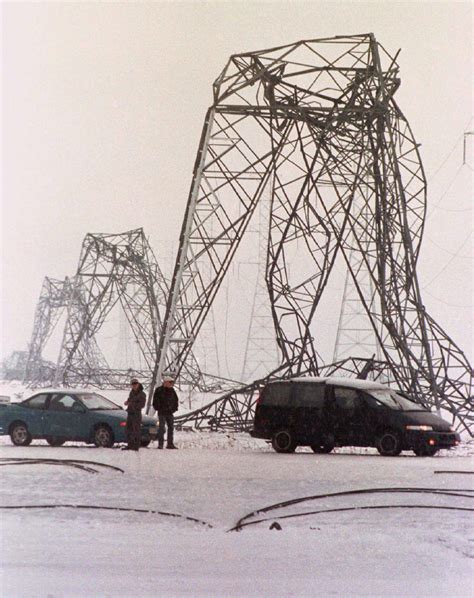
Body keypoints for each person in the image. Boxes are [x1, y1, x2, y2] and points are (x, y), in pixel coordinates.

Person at [152, 375, 179, 449]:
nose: (171, 384)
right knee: (161, 428)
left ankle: (170, 444)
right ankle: (160, 444)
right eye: (170, 382)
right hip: (162, 413)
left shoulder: (172, 391)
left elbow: (176, 400)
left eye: (171, 383)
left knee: (171, 428)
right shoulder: (159, 390)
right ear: (165, 382)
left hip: (170, 413)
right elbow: (155, 401)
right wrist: (159, 408)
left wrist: (174, 409)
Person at [122, 378, 146, 451]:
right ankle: (130, 444)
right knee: (128, 429)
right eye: (133, 384)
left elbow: (142, 405)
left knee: (136, 430)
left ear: (138, 384)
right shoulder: (131, 392)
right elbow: (130, 400)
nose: (134, 385)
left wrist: (132, 404)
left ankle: (136, 446)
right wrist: (127, 402)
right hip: (130, 413)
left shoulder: (142, 394)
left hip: (136, 413)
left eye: (135, 384)